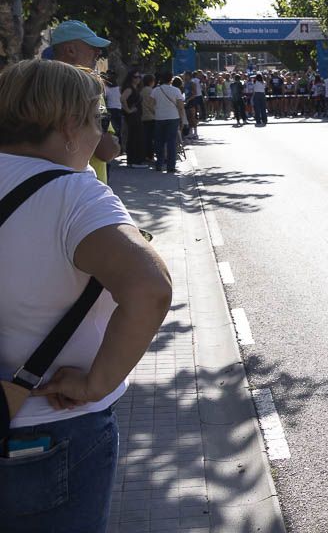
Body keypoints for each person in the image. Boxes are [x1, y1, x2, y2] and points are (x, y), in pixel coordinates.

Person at [0, 59, 172, 532]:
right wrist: (97, 383)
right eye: (101, 119)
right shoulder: (75, 195)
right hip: (43, 431)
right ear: (68, 126)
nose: (103, 133)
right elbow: (150, 288)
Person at [48, 20, 120, 182]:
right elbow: (107, 151)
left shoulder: (39, 87)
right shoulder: (87, 88)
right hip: (85, 186)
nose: (98, 52)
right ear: (70, 50)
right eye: (92, 46)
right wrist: (115, 142)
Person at [151, 75, 186, 172]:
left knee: (159, 142)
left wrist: (156, 111)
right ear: (171, 80)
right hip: (173, 117)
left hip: (159, 118)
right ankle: (171, 166)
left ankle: (159, 164)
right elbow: (180, 106)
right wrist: (182, 119)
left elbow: (151, 104)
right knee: (171, 142)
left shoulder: (155, 90)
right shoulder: (176, 90)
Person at [119, 70, 148, 169]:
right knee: (135, 137)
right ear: (131, 78)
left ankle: (133, 160)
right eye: (135, 77)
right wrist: (128, 110)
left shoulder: (136, 88)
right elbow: (122, 99)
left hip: (136, 115)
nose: (138, 79)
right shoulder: (129, 88)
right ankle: (134, 160)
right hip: (132, 116)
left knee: (135, 137)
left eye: (139, 77)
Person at [139, 73, 157, 167]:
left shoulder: (141, 91)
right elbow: (152, 104)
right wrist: (156, 112)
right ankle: (150, 156)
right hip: (151, 116)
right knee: (152, 138)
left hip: (143, 116)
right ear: (151, 82)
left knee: (146, 137)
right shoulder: (152, 91)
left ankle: (145, 155)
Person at [103, 72, 123, 150]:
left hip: (111, 110)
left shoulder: (107, 89)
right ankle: (119, 148)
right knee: (119, 129)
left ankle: (113, 147)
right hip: (119, 109)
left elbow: (104, 97)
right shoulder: (119, 89)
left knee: (113, 130)